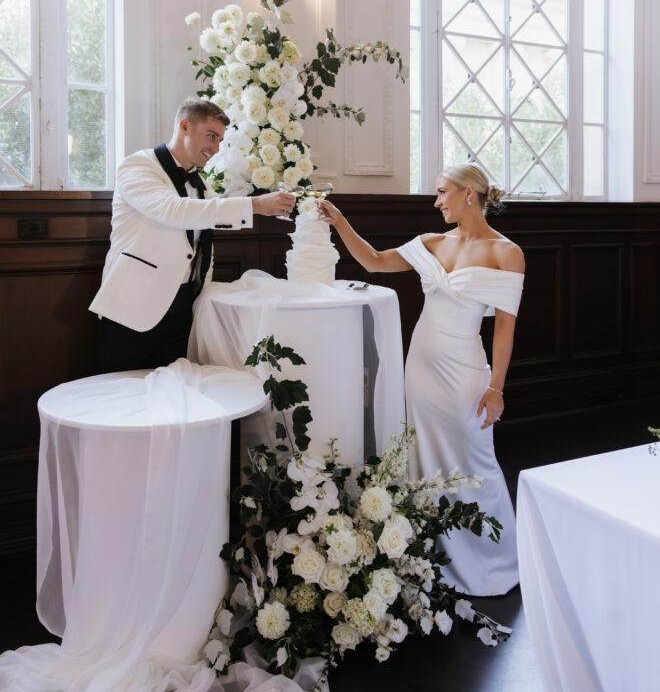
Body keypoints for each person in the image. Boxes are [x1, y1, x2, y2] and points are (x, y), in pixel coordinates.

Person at [318, 163, 524, 596]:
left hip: (466, 371)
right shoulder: (431, 242)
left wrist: (496, 388)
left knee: (476, 461)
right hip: (422, 369)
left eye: (442, 192)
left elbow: (504, 329)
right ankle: (435, 559)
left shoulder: (507, 253)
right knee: (422, 458)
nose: (436, 201)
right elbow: (373, 262)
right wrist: (340, 222)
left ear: (469, 193)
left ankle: (496, 559)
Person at [90, 97, 295, 374]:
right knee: (119, 396)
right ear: (185, 126)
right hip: (134, 305)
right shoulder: (138, 165)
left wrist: (259, 207)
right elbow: (172, 210)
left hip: (183, 306)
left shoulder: (201, 182)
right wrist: (254, 206)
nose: (216, 148)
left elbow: (206, 221)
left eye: (220, 140)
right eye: (211, 136)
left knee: (171, 395)